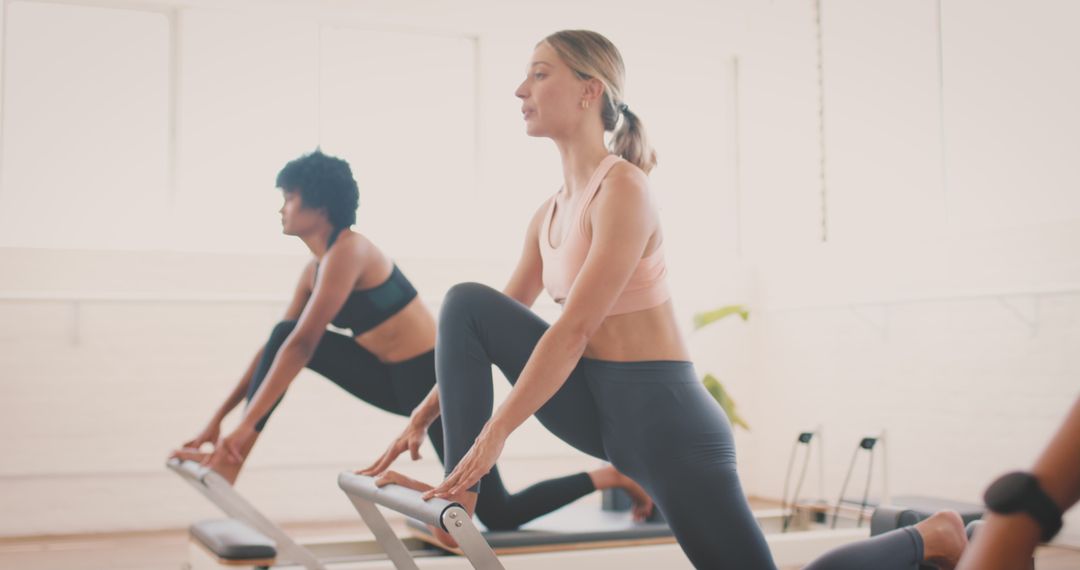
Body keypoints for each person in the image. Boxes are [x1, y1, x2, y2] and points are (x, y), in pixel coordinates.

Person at [360, 30, 971, 569]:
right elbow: (476, 331)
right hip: (598, 408)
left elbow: (572, 331)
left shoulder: (624, 190)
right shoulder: (547, 215)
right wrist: (423, 417)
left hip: (665, 419)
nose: (521, 90)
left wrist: (493, 438)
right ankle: (461, 495)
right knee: (467, 304)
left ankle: (929, 537)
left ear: (589, 91)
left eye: (539, 74)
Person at [169, 150, 653, 531]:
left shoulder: (351, 251)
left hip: (436, 382)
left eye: (289, 197)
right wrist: (218, 423)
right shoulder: (312, 271)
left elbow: (303, 346)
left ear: (318, 205)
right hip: (388, 379)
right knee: (280, 336)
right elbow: (278, 349)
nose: (282, 207)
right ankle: (232, 454)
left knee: (496, 512)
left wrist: (241, 427)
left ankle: (609, 476)